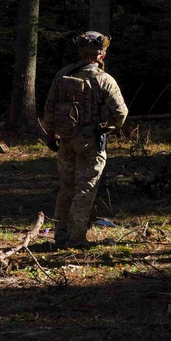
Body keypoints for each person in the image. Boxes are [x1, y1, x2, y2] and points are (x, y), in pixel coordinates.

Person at [42, 31, 128, 248]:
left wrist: (50, 135)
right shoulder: (103, 79)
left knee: (66, 189)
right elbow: (121, 114)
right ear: (102, 55)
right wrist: (107, 127)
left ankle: (60, 236)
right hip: (91, 143)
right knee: (85, 189)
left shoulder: (63, 75)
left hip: (66, 141)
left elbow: (49, 109)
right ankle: (76, 239)